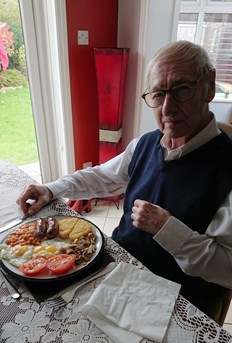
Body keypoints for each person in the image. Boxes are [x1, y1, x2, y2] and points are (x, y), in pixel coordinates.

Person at [17, 40, 232, 322]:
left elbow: (227, 270)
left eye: (182, 89)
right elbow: (103, 176)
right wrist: (51, 188)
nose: (167, 109)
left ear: (209, 85)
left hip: (174, 302)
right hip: (115, 272)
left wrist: (169, 230)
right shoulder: (145, 144)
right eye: (158, 94)